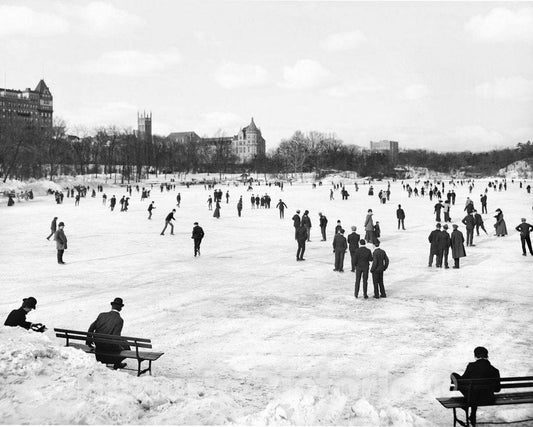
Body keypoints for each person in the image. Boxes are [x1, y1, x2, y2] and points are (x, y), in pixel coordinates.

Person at [451, 346, 500, 426]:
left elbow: (463, 382)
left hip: (472, 399)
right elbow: (497, 389)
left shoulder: (471, 366)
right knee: (475, 390)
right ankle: (472, 414)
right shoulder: (494, 370)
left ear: (475, 356)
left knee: (454, 375)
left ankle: (467, 405)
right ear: (487, 356)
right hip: (488, 399)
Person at [86, 298, 129, 370]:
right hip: (109, 351)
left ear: (112, 306)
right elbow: (116, 337)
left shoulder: (102, 315)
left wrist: (89, 341)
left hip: (99, 349)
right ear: (120, 308)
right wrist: (121, 349)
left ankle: (116, 362)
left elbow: (91, 327)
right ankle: (117, 363)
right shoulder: (119, 320)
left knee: (123, 343)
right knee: (127, 347)